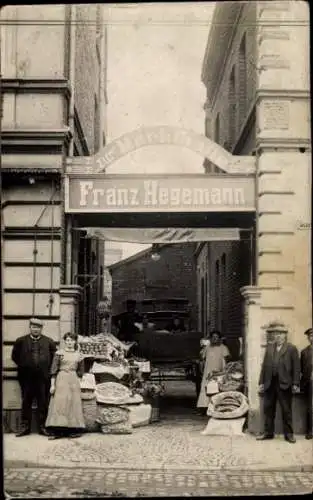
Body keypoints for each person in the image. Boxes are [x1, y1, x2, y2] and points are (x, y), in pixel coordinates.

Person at [11, 317, 57, 436]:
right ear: (30, 327)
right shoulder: (20, 341)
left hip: (43, 378)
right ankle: (25, 427)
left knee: (43, 402)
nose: (36, 329)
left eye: (38, 327)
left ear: (41, 328)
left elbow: (54, 359)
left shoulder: (49, 341)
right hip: (26, 378)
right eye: (33, 327)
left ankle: (43, 427)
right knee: (26, 401)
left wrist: (46, 370)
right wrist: (25, 366)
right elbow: (14, 356)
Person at [257, 321, 300, 443]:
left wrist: (296, 383)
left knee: (286, 410)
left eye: (281, 334)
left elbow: (296, 367)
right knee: (268, 409)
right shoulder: (270, 348)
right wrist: (261, 382)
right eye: (276, 334)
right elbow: (264, 366)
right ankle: (268, 433)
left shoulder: (291, 348)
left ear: (285, 336)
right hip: (270, 383)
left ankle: (289, 435)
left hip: (284, 383)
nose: (278, 336)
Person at [45, 332, 86, 439]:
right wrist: (52, 385)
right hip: (61, 379)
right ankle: (58, 431)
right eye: (67, 340)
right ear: (64, 341)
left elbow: (81, 372)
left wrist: (79, 383)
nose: (69, 342)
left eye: (72, 340)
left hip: (73, 380)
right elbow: (53, 370)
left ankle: (73, 430)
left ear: (75, 341)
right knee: (60, 404)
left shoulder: (79, 355)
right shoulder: (59, 353)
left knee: (73, 404)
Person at [197, 330, 230, 411]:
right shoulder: (207, 347)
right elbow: (202, 357)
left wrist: (221, 371)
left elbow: (227, 359)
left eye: (217, 337)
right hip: (208, 371)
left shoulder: (223, 347)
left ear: (219, 339)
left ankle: (216, 407)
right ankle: (204, 408)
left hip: (219, 372)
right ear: (210, 339)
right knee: (206, 388)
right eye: (213, 337)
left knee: (217, 388)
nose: (215, 339)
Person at [300, 328, 312, 439]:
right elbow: (302, 369)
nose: (312, 338)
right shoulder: (304, 352)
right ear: (308, 338)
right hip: (310, 384)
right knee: (310, 408)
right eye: (310, 336)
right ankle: (310, 431)